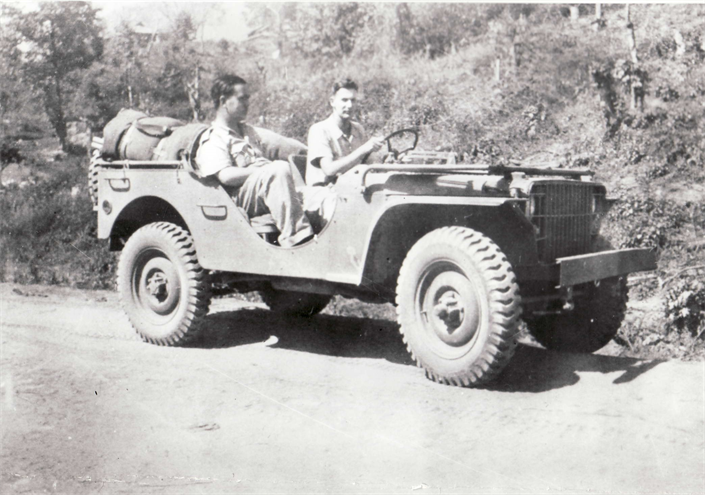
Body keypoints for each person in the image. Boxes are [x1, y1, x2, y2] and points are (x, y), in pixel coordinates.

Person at [196, 74, 314, 248]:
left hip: (263, 188)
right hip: (237, 198)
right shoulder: (215, 138)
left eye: (247, 98)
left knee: (314, 192)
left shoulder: (249, 132)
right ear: (223, 101)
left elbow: (284, 144)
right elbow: (226, 176)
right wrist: (261, 170)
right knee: (278, 170)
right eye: (242, 98)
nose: (247, 103)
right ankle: (298, 241)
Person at [306, 78, 386, 186]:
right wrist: (364, 149)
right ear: (332, 102)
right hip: (323, 192)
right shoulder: (319, 130)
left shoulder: (358, 129)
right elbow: (329, 170)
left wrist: (385, 159)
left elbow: (368, 163)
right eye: (344, 100)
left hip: (349, 189)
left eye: (353, 100)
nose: (349, 105)